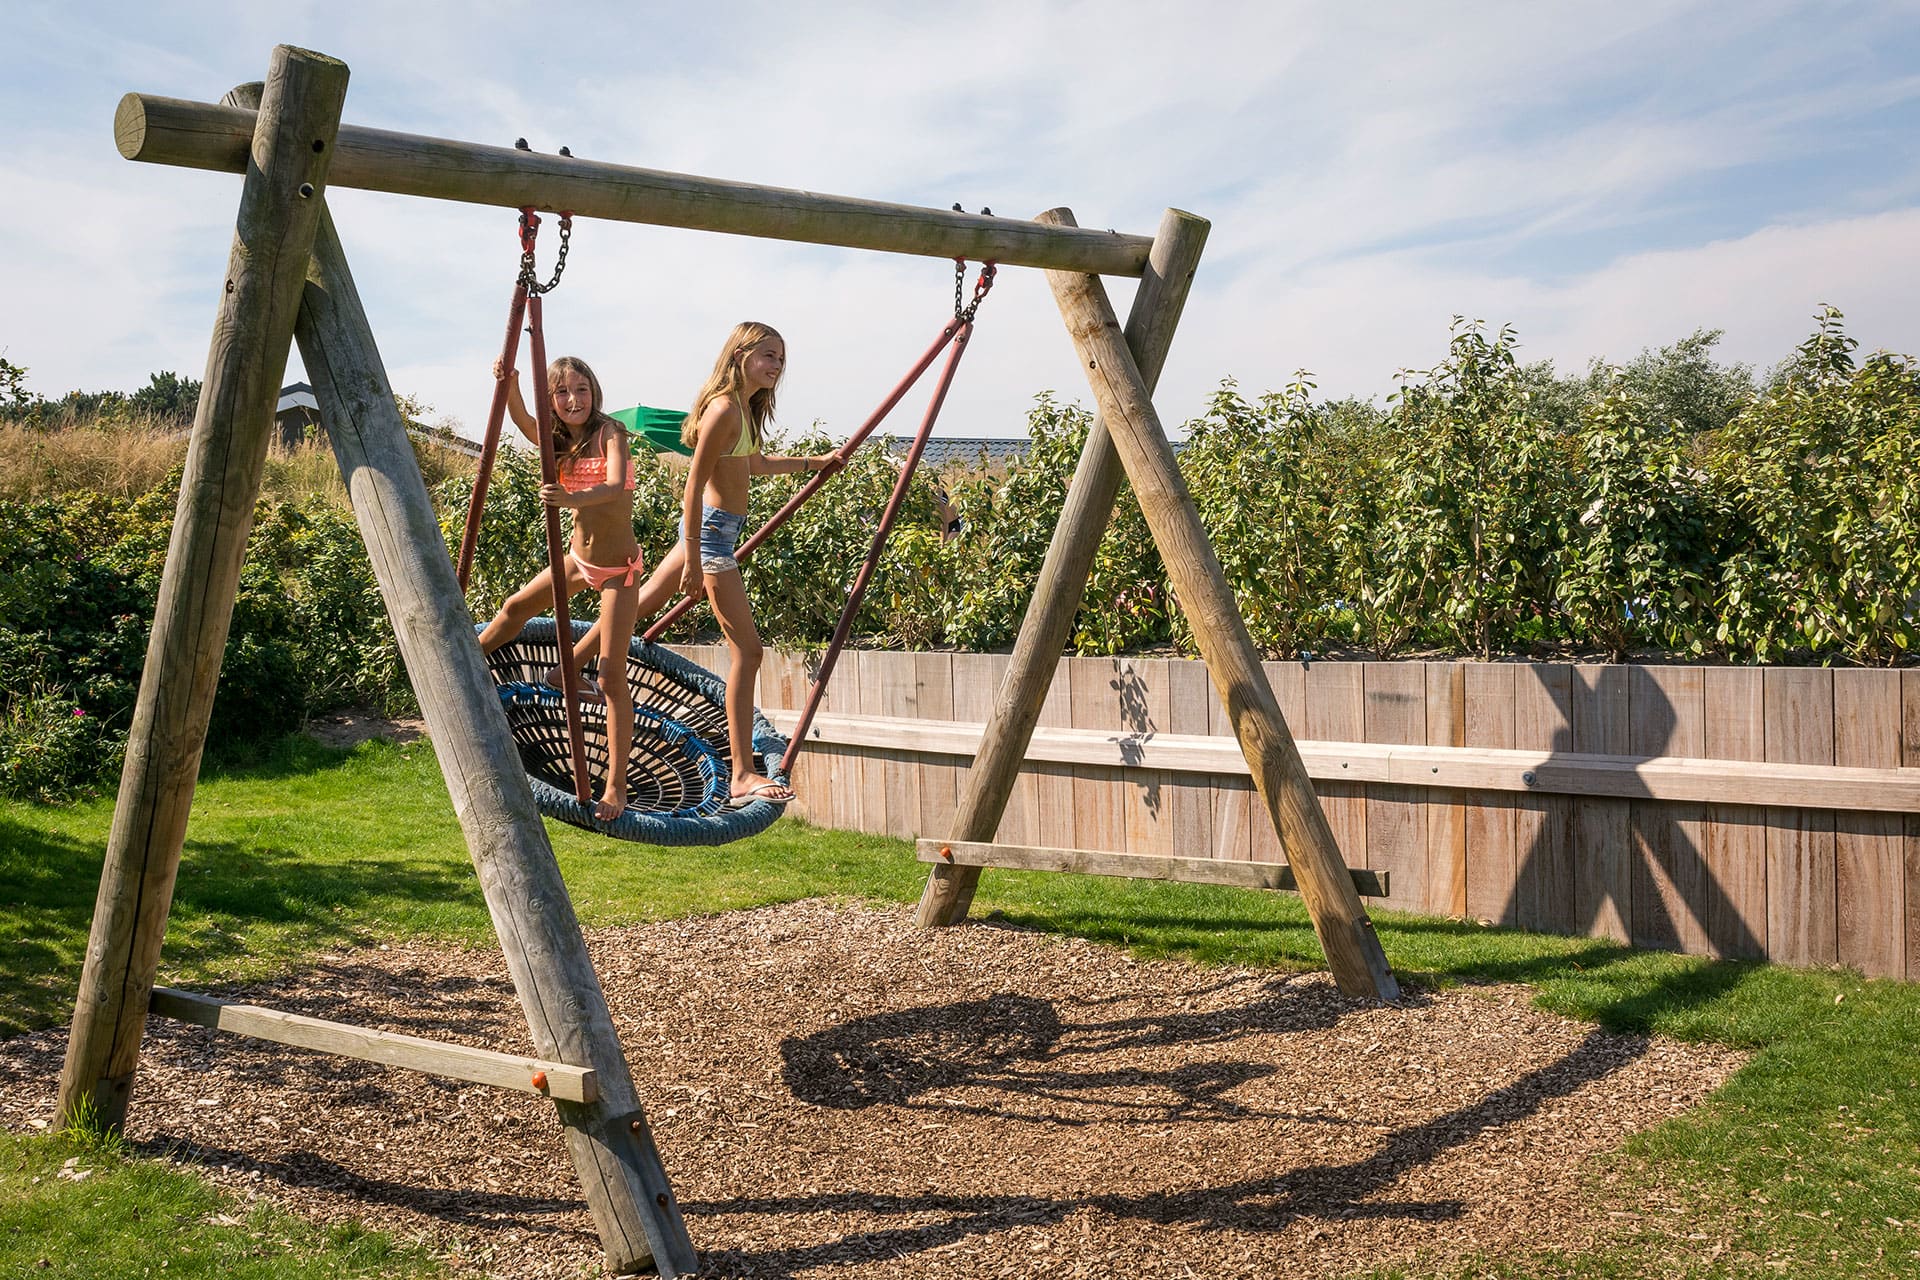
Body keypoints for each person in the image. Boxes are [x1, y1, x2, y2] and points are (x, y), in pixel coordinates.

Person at [476, 355, 642, 822]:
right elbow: (525, 422)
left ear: (595, 391)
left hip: (619, 570)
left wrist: (572, 498)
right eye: (563, 393)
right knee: (514, 606)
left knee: (610, 677)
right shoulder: (556, 440)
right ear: (553, 399)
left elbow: (613, 486)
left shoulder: (610, 432)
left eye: (582, 389)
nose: (574, 400)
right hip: (578, 559)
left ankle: (615, 786)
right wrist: (508, 384)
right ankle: (469, 659)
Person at [678, 321, 837, 804]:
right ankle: (742, 773)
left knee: (639, 604)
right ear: (740, 354)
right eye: (767, 355)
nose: (775, 366)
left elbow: (756, 466)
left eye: (781, 360)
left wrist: (816, 463)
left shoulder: (743, 410)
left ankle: (571, 666)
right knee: (748, 652)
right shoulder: (724, 409)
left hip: (716, 531)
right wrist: (690, 554)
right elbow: (693, 483)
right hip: (709, 537)